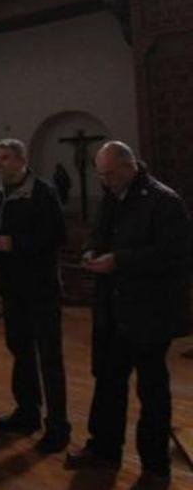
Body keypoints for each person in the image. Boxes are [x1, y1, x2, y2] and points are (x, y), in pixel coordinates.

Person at [66, 142, 190, 490]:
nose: (105, 181)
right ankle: (104, 449)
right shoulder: (112, 196)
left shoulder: (163, 201)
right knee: (107, 384)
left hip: (149, 312)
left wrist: (119, 261)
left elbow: (173, 255)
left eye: (110, 174)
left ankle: (155, 466)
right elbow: (99, 233)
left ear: (130, 165)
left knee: (152, 392)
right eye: (101, 174)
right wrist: (92, 249)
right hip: (112, 310)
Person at [0, 138, 71, 453]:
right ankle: (27, 412)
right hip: (12, 287)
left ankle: (58, 426)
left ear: (21, 160)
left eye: (4, 158)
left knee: (49, 357)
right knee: (20, 350)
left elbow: (57, 236)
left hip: (41, 286)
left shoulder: (43, 192)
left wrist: (16, 243)